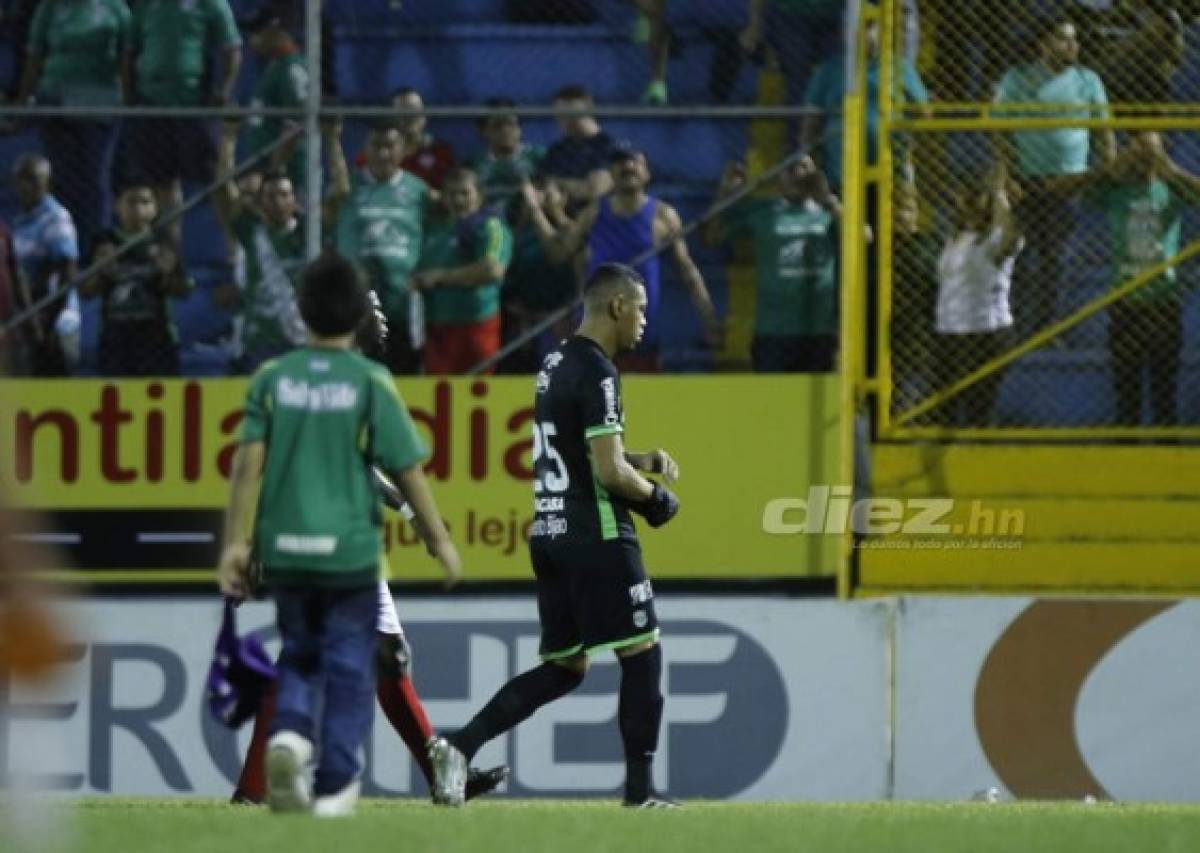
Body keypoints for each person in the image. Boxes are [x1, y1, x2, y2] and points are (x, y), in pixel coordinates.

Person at [427, 263, 681, 809]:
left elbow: (586, 453)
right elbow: (609, 474)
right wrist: (655, 497)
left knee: (567, 666)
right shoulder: (600, 371)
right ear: (616, 306)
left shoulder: (555, 360)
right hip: (598, 530)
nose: (644, 319)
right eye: (639, 307)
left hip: (549, 528)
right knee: (642, 653)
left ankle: (459, 744)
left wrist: (642, 459)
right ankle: (641, 797)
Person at [217, 251, 462, 817]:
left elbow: (255, 464)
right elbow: (403, 467)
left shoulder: (277, 378)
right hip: (348, 548)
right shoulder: (368, 382)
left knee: (311, 656)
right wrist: (434, 533)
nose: (382, 314)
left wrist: (244, 542)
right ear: (352, 313)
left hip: (287, 542)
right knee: (376, 659)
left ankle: (267, 771)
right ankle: (324, 778)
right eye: (372, 304)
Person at [1055, 132, 1200, 426]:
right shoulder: (1117, 190)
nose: (1143, 160)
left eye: (1150, 153)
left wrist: (1172, 171)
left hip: (1163, 301)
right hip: (1126, 302)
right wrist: (1107, 169)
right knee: (1126, 390)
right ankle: (1126, 445)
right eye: (1138, 152)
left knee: (1164, 391)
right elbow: (1062, 190)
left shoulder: (1172, 189)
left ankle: (1165, 453)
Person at [532, 145, 720, 370]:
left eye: (635, 162)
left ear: (647, 173)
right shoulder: (594, 213)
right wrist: (541, 212)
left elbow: (687, 270)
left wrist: (708, 317)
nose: (628, 167)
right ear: (611, 173)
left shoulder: (663, 215)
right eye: (620, 163)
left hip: (639, 335)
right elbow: (560, 253)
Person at [993, 15, 1113, 335]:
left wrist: (1105, 170)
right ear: (1043, 43)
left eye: (1074, 39)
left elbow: (1104, 131)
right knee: (1019, 255)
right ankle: (1012, 326)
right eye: (1064, 38)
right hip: (1026, 179)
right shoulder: (1017, 79)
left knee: (1055, 258)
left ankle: (1048, 329)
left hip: (1068, 182)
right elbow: (999, 132)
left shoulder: (1088, 81)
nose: (1073, 45)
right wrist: (1008, 175)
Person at [214, 119, 339, 372]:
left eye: (284, 195)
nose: (277, 202)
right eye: (270, 196)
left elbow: (340, 193)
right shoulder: (251, 232)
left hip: (302, 338)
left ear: (295, 201)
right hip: (261, 341)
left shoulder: (308, 233)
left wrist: (333, 140)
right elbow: (223, 190)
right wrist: (228, 141)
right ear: (259, 204)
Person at [118, 0, 242, 241]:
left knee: (217, 180)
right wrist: (129, 94)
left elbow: (232, 48)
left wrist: (224, 90)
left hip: (194, 105)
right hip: (153, 105)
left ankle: (234, 249)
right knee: (162, 181)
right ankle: (171, 253)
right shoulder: (146, 5)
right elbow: (130, 51)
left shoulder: (211, 4)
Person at [14, 0, 131, 251]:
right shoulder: (50, 8)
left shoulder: (115, 8)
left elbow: (126, 57)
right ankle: (63, 246)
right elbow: (35, 55)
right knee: (62, 179)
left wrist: (128, 100)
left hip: (100, 103)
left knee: (96, 179)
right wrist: (22, 103)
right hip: (56, 102)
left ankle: (97, 250)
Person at [706, 157, 840, 373]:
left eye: (804, 167)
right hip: (773, 331)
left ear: (816, 174)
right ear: (778, 178)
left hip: (819, 328)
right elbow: (713, 237)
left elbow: (863, 238)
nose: (797, 173)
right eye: (789, 169)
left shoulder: (830, 212)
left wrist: (829, 200)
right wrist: (724, 194)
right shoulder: (762, 210)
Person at [330, 119, 432, 374]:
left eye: (390, 146)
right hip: (357, 305)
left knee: (402, 377)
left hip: (403, 304)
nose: (383, 153)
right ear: (366, 148)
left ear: (404, 149)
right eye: (376, 146)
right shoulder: (349, 187)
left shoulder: (419, 191)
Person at [931, 165, 1024, 427]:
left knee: (978, 407)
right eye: (963, 200)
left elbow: (1009, 237)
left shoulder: (993, 239)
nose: (966, 205)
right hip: (949, 330)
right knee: (943, 409)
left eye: (974, 199)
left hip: (985, 331)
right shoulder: (955, 239)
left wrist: (998, 194)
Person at [79, 180, 193, 377]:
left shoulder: (163, 241)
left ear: (155, 208)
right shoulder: (104, 241)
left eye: (145, 202)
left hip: (157, 340)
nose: (138, 209)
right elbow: (86, 292)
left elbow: (184, 290)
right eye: (132, 202)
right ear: (118, 206)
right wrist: (100, 271)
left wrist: (166, 272)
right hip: (115, 339)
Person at [412, 168, 512, 375]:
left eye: (464, 193)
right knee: (438, 398)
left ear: (479, 196)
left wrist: (440, 277)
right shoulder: (432, 230)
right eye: (451, 193)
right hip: (435, 331)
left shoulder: (490, 226)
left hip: (476, 329)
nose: (458, 200)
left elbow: (492, 270)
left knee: (477, 395)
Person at [498, 177, 579, 373]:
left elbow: (559, 255)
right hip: (526, 323)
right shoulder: (518, 233)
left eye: (547, 193)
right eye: (534, 194)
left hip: (563, 320)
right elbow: (507, 274)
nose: (538, 199)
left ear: (564, 197)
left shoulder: (572, 226)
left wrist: (540, 213)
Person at [10, 154, 79, 376]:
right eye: (21, 179)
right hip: (28, 322)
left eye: (32, 179)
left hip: (54, 324)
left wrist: (47, 322)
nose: (25, 186)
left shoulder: (55, 218)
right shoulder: (19, 222)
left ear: (47, 182)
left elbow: (67, 271)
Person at [242, 9, 309, 191]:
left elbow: (296, 124)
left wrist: (273, 170)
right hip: (264, 168)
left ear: (274, 32)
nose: (252, 41)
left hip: (286, 173)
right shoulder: (275, 67)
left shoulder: (291, 68)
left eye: (258, 33)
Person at [353, 87, 456, 191]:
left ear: (424, 117)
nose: (409, 116)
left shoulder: (440, 152)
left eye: (413, 110)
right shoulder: (375, 153)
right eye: (402, 111)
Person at [540, 85, 616, 211]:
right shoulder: (557, 150)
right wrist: (577, 186)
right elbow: (544, 185)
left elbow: (595, 190)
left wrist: (558, 183)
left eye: (568, 113)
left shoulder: (609, 146)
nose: (562, 120)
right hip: (560, 215)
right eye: (559, 114)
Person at [469, 97, 546, 214]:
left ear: (520, 129)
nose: (505, 130)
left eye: (511, 124)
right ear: (484, 131)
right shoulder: (473, 164)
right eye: (497, 126)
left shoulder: (538, 156)